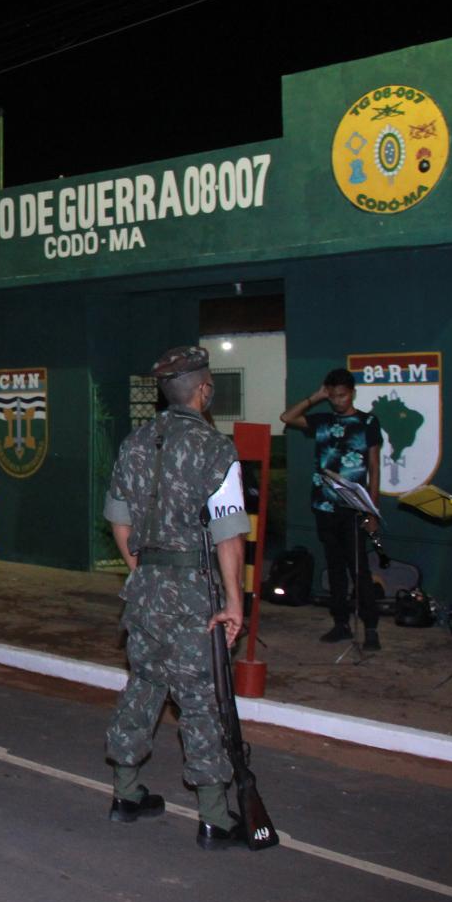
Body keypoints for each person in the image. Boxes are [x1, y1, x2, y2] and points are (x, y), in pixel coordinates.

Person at [103, 346, 249, 848]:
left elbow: (119, 520)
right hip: (193, 591)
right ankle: (214, 815)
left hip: (146, 589)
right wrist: (235, 602)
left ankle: (125, 791)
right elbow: (229, 532)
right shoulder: (215, 448)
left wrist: (142, 571)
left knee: (144, 683)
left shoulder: (134, 443)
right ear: (204, 390)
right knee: (200, 698)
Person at [280, 368, 384, 650]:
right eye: (333, 395)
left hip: (353, 507)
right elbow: (287, 418)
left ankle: (371, 627)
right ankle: (341, 624)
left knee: (359, 569)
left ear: (352, 393)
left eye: (343, 395)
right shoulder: (322, 420)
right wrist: (316, 397)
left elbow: (374, 467)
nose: (338, 401)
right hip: (324, 505)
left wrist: (372, 510)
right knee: (335, 567)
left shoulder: (368, 422)